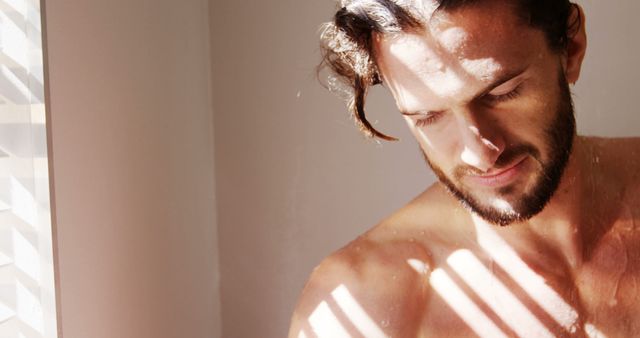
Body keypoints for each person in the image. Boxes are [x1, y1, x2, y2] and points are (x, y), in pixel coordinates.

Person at [289, 0, 640, 337]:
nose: (479, 153)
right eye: (428, 117)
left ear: (572, 48)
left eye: (502, 92)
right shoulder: (365, 306)